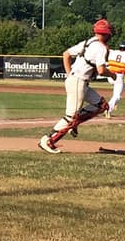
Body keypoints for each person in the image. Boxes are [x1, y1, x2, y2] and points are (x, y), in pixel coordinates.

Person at [39, 18, 114, 154]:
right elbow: (102, 70)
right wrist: (113, 75)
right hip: (78, 81)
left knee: (102, 105)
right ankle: (48, 140)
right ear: (107, 34)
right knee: (70, 117)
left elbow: (66, 54)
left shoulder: (88, 42)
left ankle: (76, 122)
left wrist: (69, 74)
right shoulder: (101, 48)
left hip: (78, 80)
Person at [105, 41, 125, 114]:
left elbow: (106, 51)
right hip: (118, 76)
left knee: (123, 86)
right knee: (117, 95)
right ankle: (108, 109)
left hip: (109, 75)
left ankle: (114, 103)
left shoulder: (113, 52)